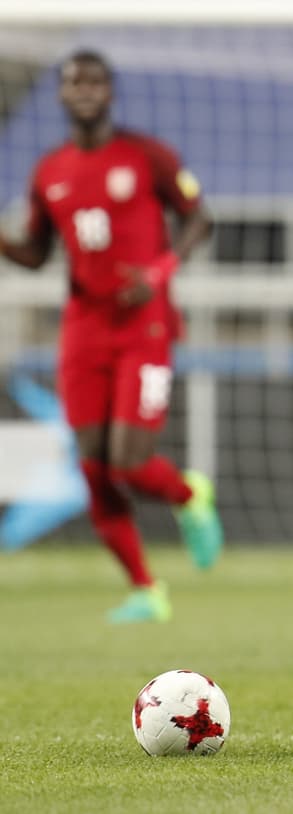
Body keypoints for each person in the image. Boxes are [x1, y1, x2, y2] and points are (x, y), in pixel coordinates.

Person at [0, 50, 223, 623]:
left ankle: (189, 495)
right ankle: (147, 590)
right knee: (94, 469)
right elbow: (34, 255)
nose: (84, 89)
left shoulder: (146, 156)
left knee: (128, 462)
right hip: (83, 332)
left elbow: (200, 218)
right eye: (73, 80)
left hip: (144, 328)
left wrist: (158, 273)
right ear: (61, 94)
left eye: (94, 80)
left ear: (110, 91)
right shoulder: (49, 171)